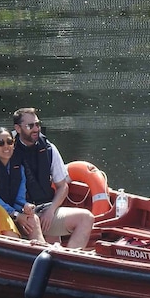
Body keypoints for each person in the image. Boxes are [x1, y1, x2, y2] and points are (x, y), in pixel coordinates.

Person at [12, 107, 94, 249]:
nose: (36, 129)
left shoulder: (49, 149)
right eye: (30, 126)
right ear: (18, 128)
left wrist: (51, 211)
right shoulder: (7, 149)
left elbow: (63, 186)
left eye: (37, 124)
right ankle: (46, 254)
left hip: (46, 209)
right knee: (34, 221)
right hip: (21, 213)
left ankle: (70, 260)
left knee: (86, 218)